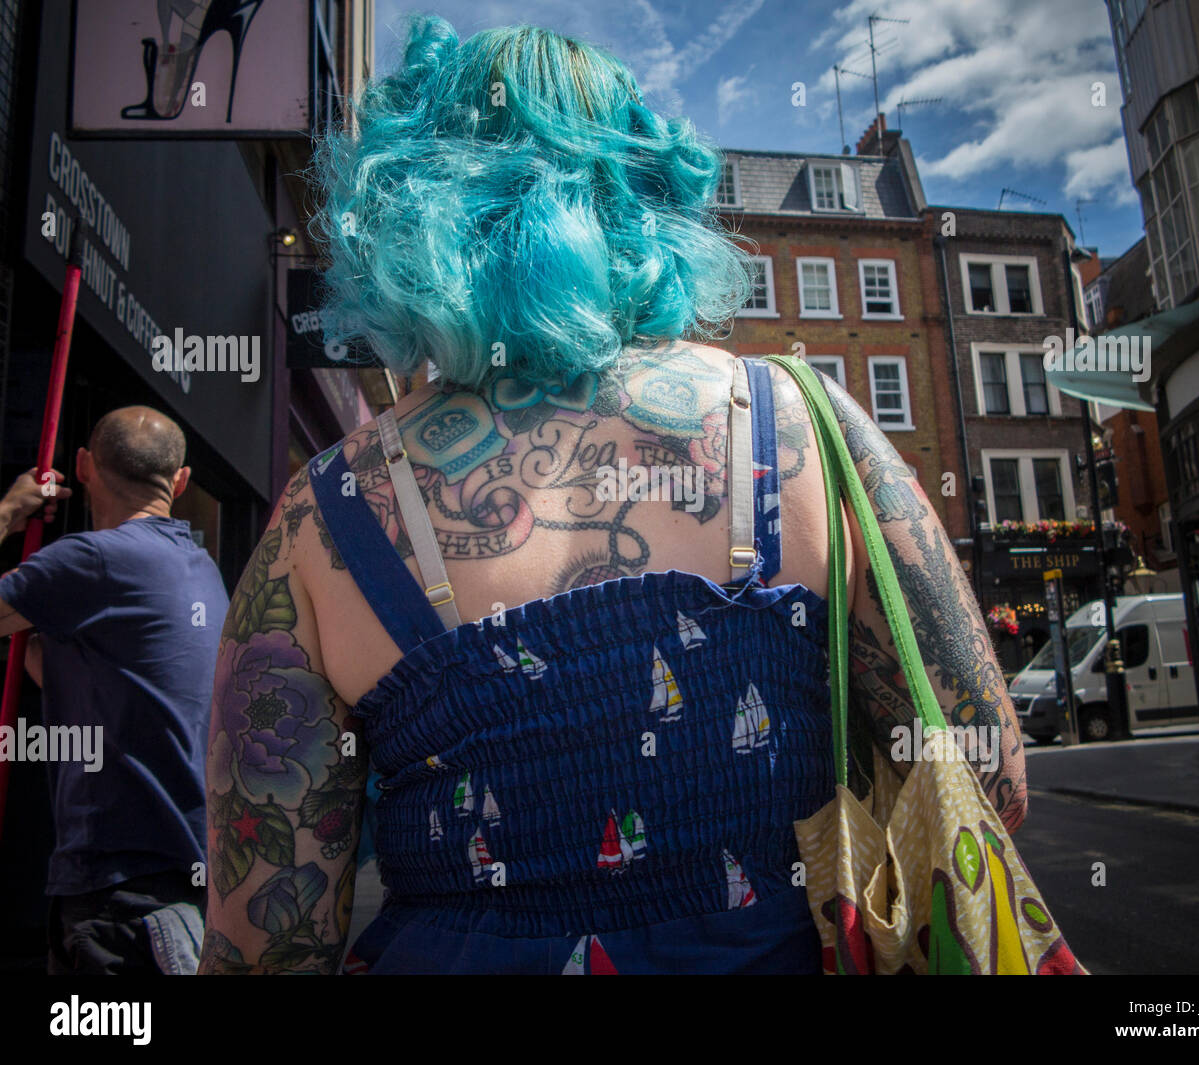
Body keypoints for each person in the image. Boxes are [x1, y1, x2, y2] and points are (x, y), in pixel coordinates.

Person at [198, 16, 1026, 976]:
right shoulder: (803, 425)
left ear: (410, 209)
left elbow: (265, 943)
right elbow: (989, 780)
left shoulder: (325, 514)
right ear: (648, 196)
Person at [0, 406, 228, 974]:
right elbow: (103, 681)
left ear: (82, 465)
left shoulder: (93, 560)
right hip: (182, 880)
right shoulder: (200, 567)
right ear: (181, 481)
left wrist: (8, 510)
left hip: (116, 893)